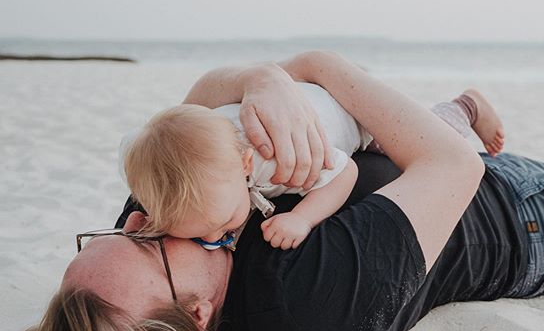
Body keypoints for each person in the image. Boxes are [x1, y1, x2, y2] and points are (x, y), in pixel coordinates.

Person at [2, 51, 544, 331]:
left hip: (404, 152)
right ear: (195, 314)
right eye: (144, 244)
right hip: (524, 218)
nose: (138, 220)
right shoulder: (305, 310)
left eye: (109, 233)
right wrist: (315, 66)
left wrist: (259, 79)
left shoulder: (156, 234)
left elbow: (191, 112)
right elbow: (452, 167)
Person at [120, 83, 504, 250]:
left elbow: (344, 172)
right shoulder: (206, 150)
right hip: (301, 96)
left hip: (355, 115)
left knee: (418, 143)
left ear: (246, 165)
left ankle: (467, 107)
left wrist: (302, 217)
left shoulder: (275, 163)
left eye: (223, 226)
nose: (221, 237)